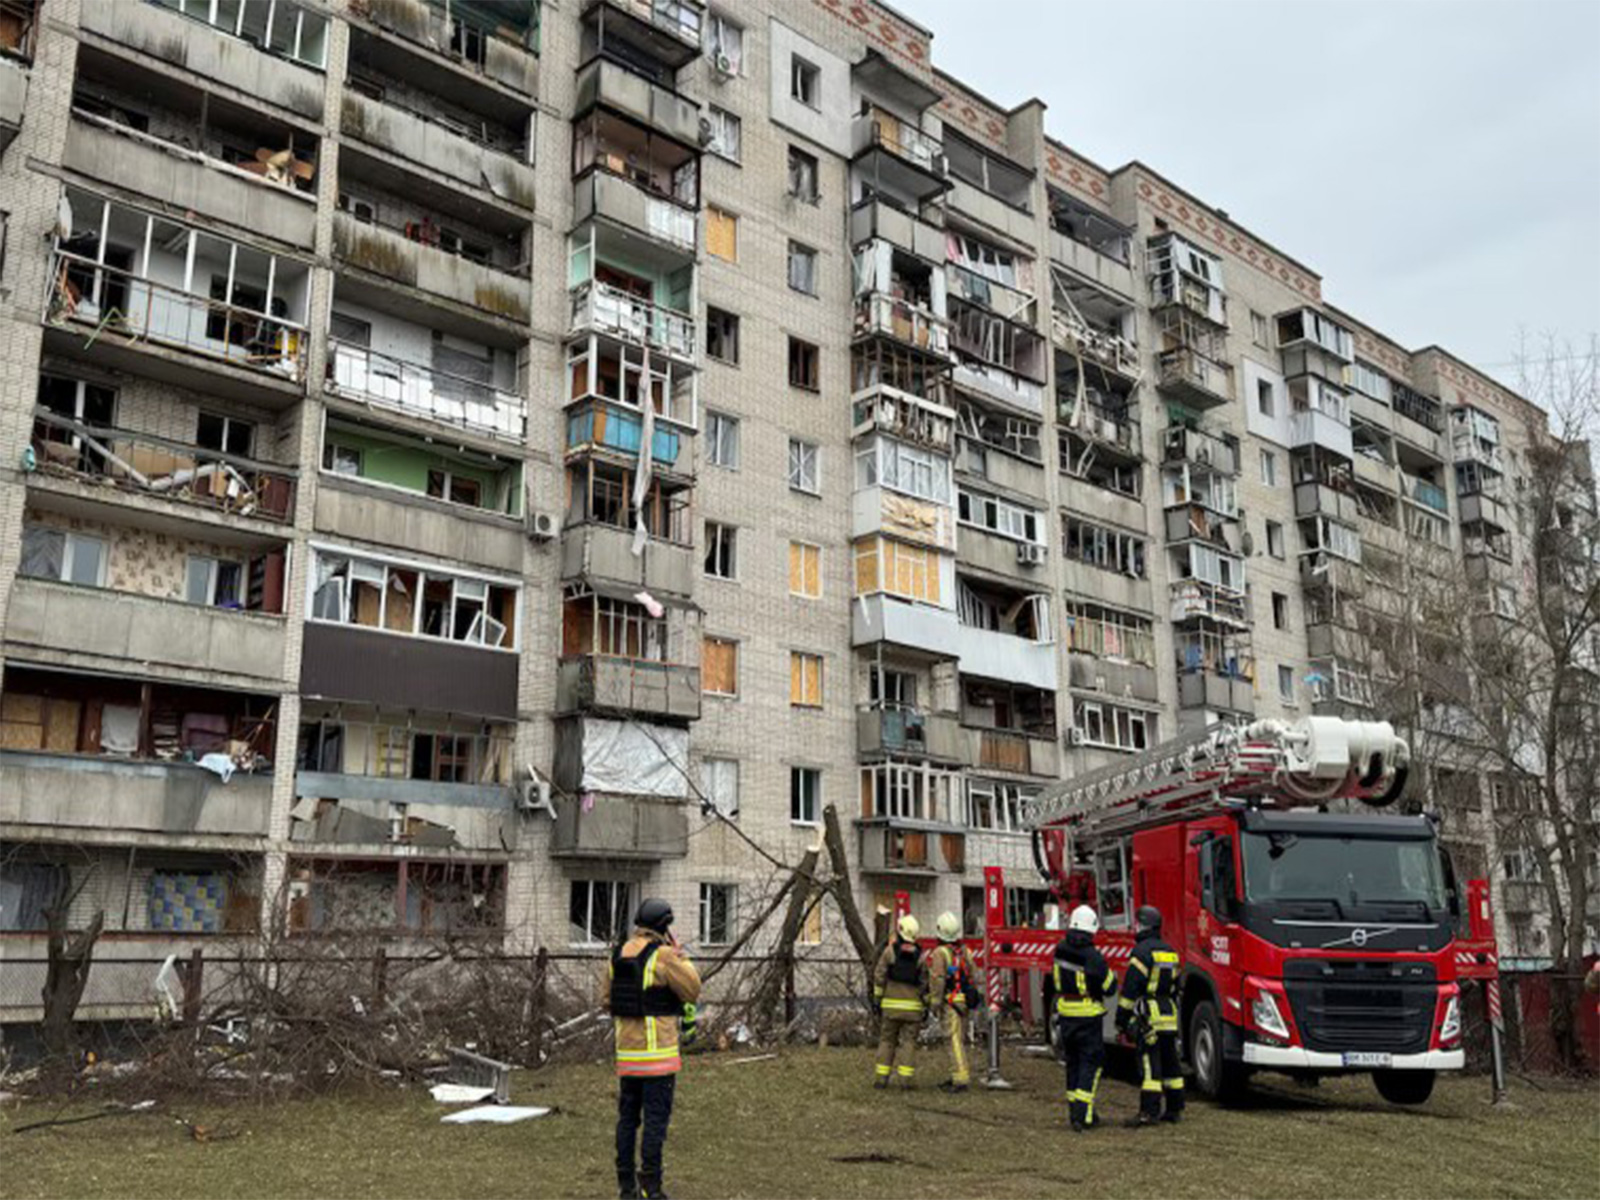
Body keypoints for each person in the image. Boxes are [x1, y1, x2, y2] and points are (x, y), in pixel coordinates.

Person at [601, 898, 701, 1200]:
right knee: (655, 1121)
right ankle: (651, 1187)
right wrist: (680, 956)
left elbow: (606, 999)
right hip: (658, 1058)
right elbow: (692, 989)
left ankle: (626, 1186)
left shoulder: (617, 955)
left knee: (627, 1120)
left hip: (628, 1057)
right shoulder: (665, 956)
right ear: (663, 925)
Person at [1117, 905, 1185, 1127]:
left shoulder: (1141, 953)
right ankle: (1174, 1109)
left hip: (1150, 1015)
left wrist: (1122, 1019)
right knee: (1171, 1064)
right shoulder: (1170, 952)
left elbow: (1131, 989)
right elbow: (1176, 985)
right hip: (1169, 1013)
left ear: (1142, 925)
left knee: (1149, 1064)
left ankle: (1149, 1112)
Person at [1053, 903, 1116, 1132]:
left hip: (1066, 1013)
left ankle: (1074, 1111)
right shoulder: (1093, 956)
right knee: (1091, 1064)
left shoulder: (1059, 949)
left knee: (1073, 1064)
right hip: (1088, 1016)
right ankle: (1083, 1115)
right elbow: (1110, 987)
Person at [872, 913, 927, 1088]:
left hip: (890, 1008)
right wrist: (926, 1004)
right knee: (909, 1043)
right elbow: (925, 982)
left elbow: (879, 976)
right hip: (913, 1010)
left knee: (887, 1041)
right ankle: (906, 1081)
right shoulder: (921, 955)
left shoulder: (890, 952)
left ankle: (881, 1079)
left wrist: (877, 998)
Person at [927, 911, 979, 1093]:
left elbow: (938, 979)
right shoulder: (965, 951)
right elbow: (973, 974)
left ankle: (960, 1079)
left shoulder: (940, 953)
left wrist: (934, 1002)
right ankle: (956, 1074)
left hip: (950, 1002)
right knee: (959, 1039)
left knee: (953, 1041)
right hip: (963, 1001)